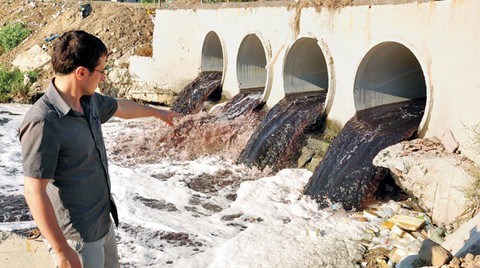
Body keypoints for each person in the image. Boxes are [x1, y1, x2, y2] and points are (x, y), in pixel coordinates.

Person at [19, 30, 177, 268]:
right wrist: (62, 251)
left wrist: (160, 113)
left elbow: (121, 108)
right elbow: (34, 191)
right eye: (102, 71)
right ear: (81, 73)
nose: (103, 78)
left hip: (103, 224)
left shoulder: (89, 101)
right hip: (77, 240)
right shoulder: (43, 121)